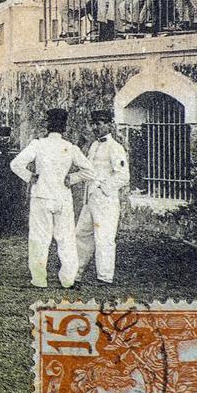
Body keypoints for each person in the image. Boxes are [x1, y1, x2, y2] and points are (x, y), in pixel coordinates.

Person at [10, 108, 95, 289]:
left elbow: (15, 164)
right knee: (66, 239)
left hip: (41, 196)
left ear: (47, 126)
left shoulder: (38, 144)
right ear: (64, 128)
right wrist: (72, 179)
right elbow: (90, 171)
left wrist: (29, 176)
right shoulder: (70, 148)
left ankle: (39, 280)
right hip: (62, 198)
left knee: (39, 239)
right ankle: (68, 280)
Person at [74, 110, 130, 284]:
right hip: (89, 199)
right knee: (81, 234)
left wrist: (102, 188)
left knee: (104, 237)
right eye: (94, 123)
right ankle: (75, 272)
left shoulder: (115, 148)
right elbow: (89, 171)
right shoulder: (93, 146)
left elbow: (123, 176)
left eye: (99, 123)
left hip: (105, 200)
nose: (95, 127)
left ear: (109, 125)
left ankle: (104, 277)